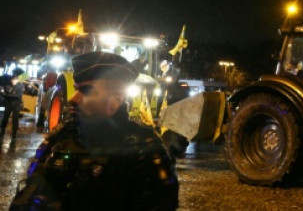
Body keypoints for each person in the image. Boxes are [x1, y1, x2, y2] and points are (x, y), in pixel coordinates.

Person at [9, 51, 179, 210]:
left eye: (85, 90)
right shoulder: (61, 139)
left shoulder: (144, 148)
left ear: (115, 100)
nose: (73, 98)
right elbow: (29, 195)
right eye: (76, 89)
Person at [0, 68, 27, 143]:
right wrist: (5, 93)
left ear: (17, 79)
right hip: (9, 104)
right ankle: (2, 130)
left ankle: (14, 134)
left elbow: (17, 96)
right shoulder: (10, 84)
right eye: (12, 80)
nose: (12, 82)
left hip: (16, 105)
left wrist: (6, 94)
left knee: (15, 120)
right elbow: (8, 92)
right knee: (5, 118)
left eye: (13, 80)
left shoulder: (20, 86)